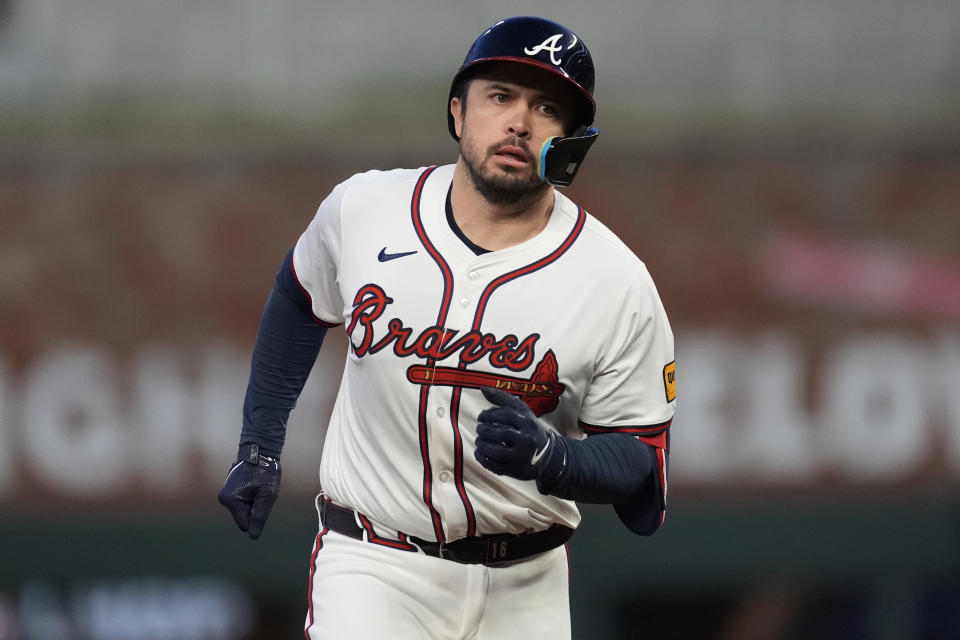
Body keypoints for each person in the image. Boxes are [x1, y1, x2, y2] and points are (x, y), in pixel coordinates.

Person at [218, 15, 676, 640]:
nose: (519, 121)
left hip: (527, 580)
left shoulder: (616, 280)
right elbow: (298, 298)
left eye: (547, 107)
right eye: (499, 97)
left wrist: (556, 457)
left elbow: (640, 462)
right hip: (374, 564)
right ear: (458, 112)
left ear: (572, 141)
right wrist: (259, 443)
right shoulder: (364, 209)